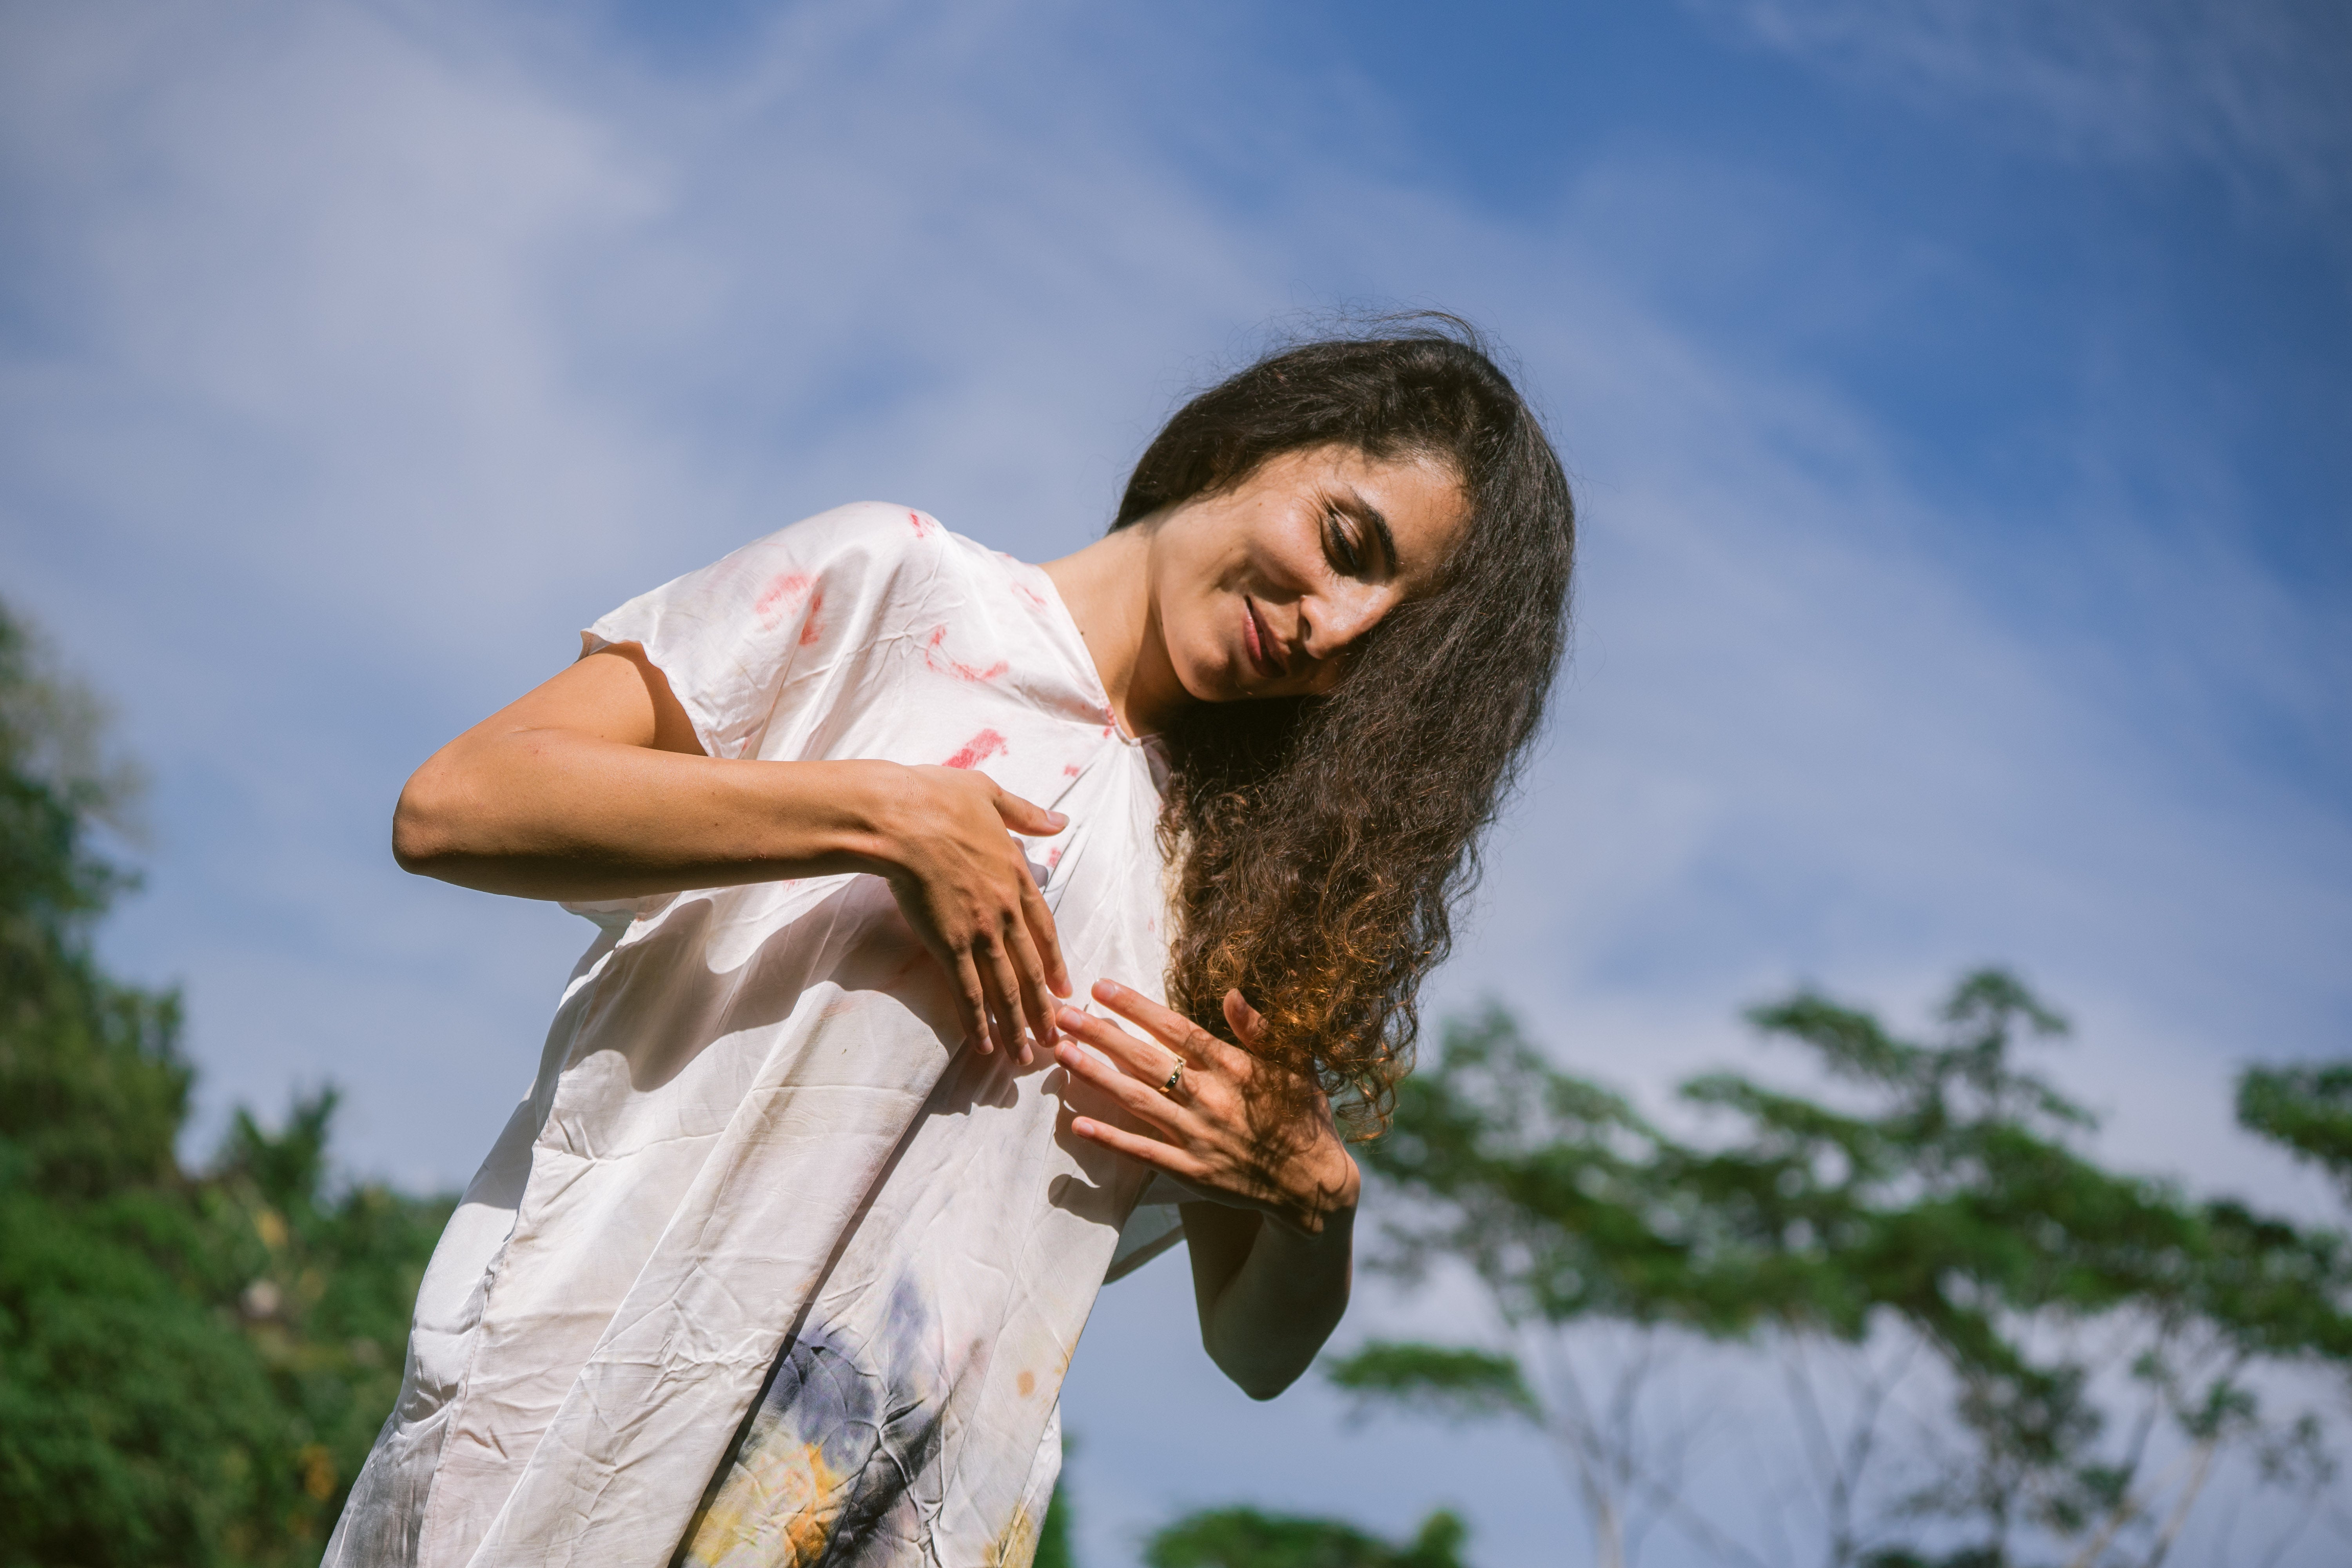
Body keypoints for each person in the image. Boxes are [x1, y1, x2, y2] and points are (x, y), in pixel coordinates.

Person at [325, 316, 1574, 1568]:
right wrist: (884, 813)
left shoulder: (1236, 910)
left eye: (1387, 645)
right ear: (1259, 439)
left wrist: (1319, 1197)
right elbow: (458, 806)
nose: (1336, 628)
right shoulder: (895, 586)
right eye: (1347, 542)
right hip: (574, 1424)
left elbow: (1255, 1353)